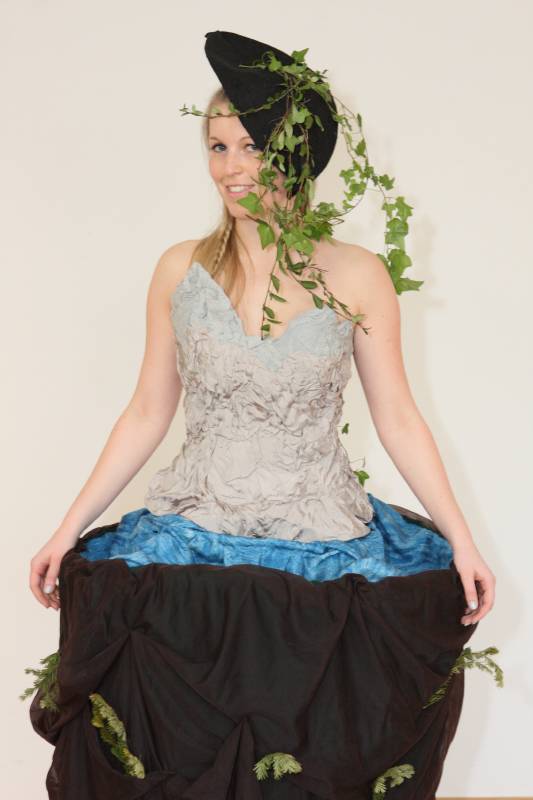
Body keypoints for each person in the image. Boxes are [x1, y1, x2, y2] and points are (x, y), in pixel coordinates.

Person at [26, 31, 499, 800]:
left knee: (304, 760)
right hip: (193, 535)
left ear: (298, 153)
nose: (231, 168)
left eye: (252, 146)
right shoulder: (179, 269)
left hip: (320, 543)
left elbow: (398, 419)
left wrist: (462, 539)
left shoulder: (358, 275)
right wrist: (65, 528)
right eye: (217, 147)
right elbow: (147, 410)